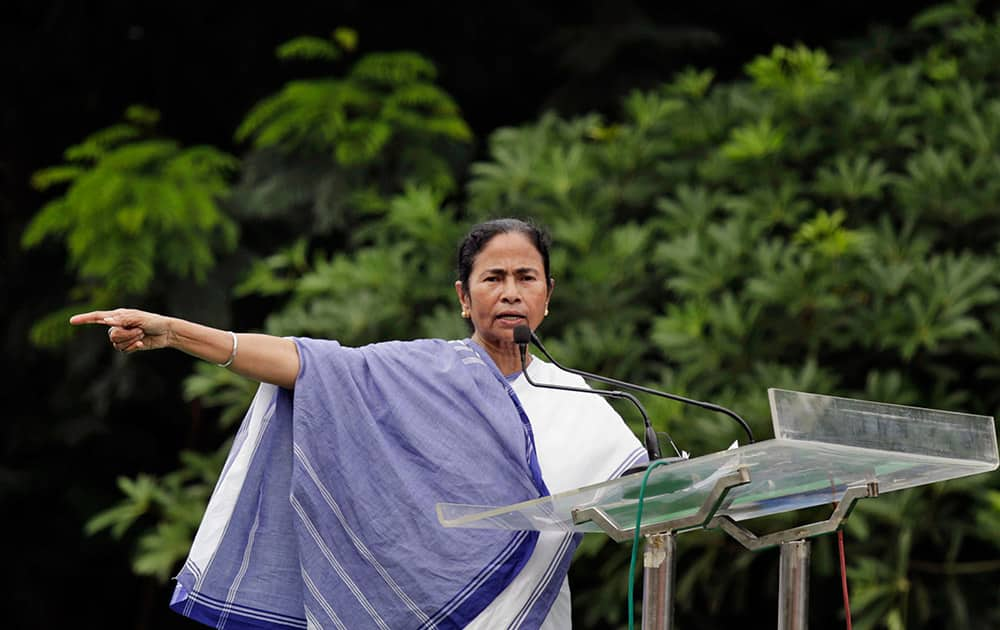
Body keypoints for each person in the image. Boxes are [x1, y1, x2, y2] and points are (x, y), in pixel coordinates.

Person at [71, 218, 647, 629]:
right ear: (464, 298)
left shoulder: (575, 399)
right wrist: (176, 332)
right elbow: (307, 364)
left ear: (549, 295)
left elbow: (641, 499)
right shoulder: (417, 372)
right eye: (493, 278)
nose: (511, 292)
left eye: (527, 277)